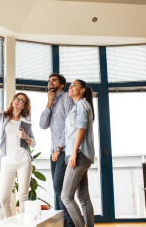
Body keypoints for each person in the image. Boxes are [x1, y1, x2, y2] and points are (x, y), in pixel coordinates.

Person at [0, 71, 36, 218]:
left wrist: (26, 137)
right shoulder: (3, 117)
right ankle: (10, 223)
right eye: (16, 98)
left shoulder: (26, 121)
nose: (17, 100)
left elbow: (33, 143)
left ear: (24, 106)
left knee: (23, 197)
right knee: (4, 198)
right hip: (7, 161)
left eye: (21, 100)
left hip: (23, 160)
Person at [39, 73, 74, 227]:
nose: (50, 83)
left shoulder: (66, 98)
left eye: (54, 80)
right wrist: (48, 103)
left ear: (61, 85)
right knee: (59, 188)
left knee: (60, 188)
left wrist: (59, 148)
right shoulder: (52, 102)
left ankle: (71, 223)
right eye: (49, 81)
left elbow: (70, 125)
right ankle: (68, 222)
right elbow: (42, 125)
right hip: (54, 151)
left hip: (63, 151)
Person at [61, 79, 95, 227]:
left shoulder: (81, 104)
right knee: (83, 197)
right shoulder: (79, 105)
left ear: (82, 90)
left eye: (74, 85)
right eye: (70, 85)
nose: (70, 87)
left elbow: (82, 127)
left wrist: (74, 152)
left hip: (79, 155)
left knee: (66, 197)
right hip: (83, 155)